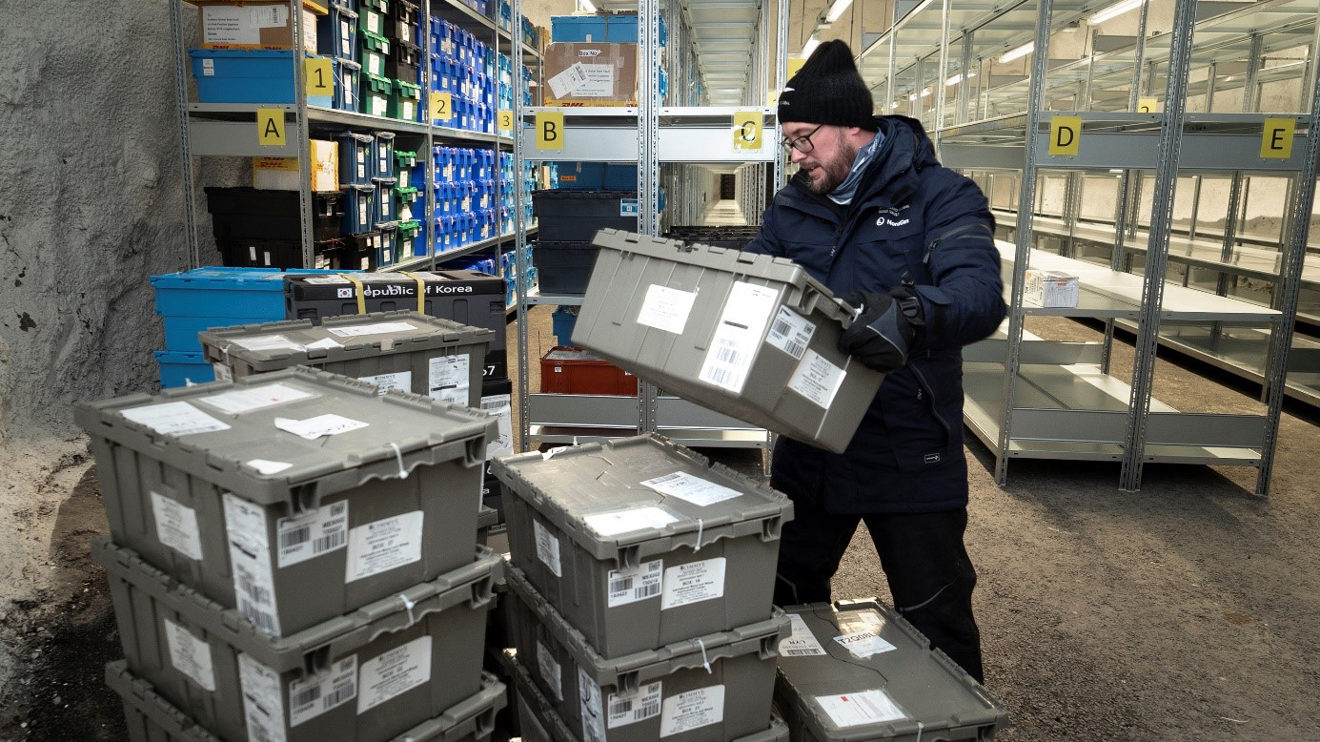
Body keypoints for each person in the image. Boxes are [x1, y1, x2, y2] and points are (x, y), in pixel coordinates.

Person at [743, 40, 1006, 683]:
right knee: (781, 598)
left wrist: (908, 314)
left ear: (853, 127)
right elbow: (756, 283)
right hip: (811, 437)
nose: (796, 155)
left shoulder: (941, 195)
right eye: (789, 143)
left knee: (935, 612)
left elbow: (979, 296)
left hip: (909, 444)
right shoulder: (792, 205)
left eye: (805, 138)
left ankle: (957, 724)